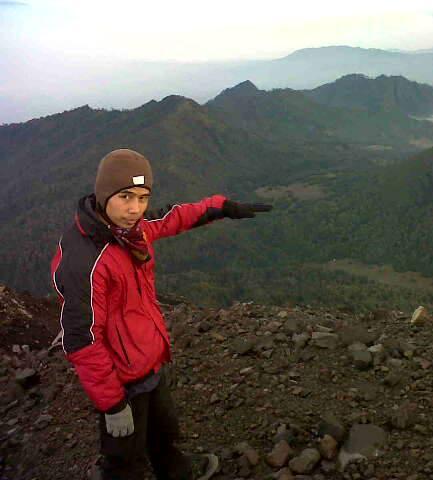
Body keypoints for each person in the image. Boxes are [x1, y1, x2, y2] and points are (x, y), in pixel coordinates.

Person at [50, 149, 272, 479]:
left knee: (164, 433)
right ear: (104, 194)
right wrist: (111, 404)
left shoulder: (131, 231)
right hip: (121, 379)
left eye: (142, 197)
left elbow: (171, 218)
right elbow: (82, 340)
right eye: (125, 196)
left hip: (149, 361)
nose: (135, 208)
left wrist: (220, 207)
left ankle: (176, 471)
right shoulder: (86, 260)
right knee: (123, 458)